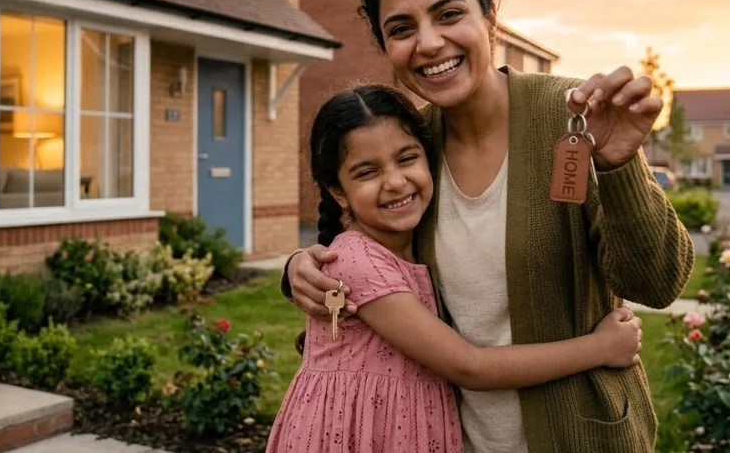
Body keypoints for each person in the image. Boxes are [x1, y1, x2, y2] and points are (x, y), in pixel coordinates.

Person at [280, 0, 696, 453]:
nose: (429, 42)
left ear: (489, 16)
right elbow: (372, 259)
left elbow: (658, 284)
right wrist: (302, 266)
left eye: (448, 14)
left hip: (580, 437)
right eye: (401, 29)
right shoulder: (412, 149)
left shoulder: (574, 118)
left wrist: (618, 167)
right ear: (386, 49)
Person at [266, 84, 645, 453]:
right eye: (367, 172)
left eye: (407, 158)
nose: (395, 182)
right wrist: (600, 348)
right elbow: (470, 367)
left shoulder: (414, 243)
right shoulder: (357, 262)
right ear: (337, 191)